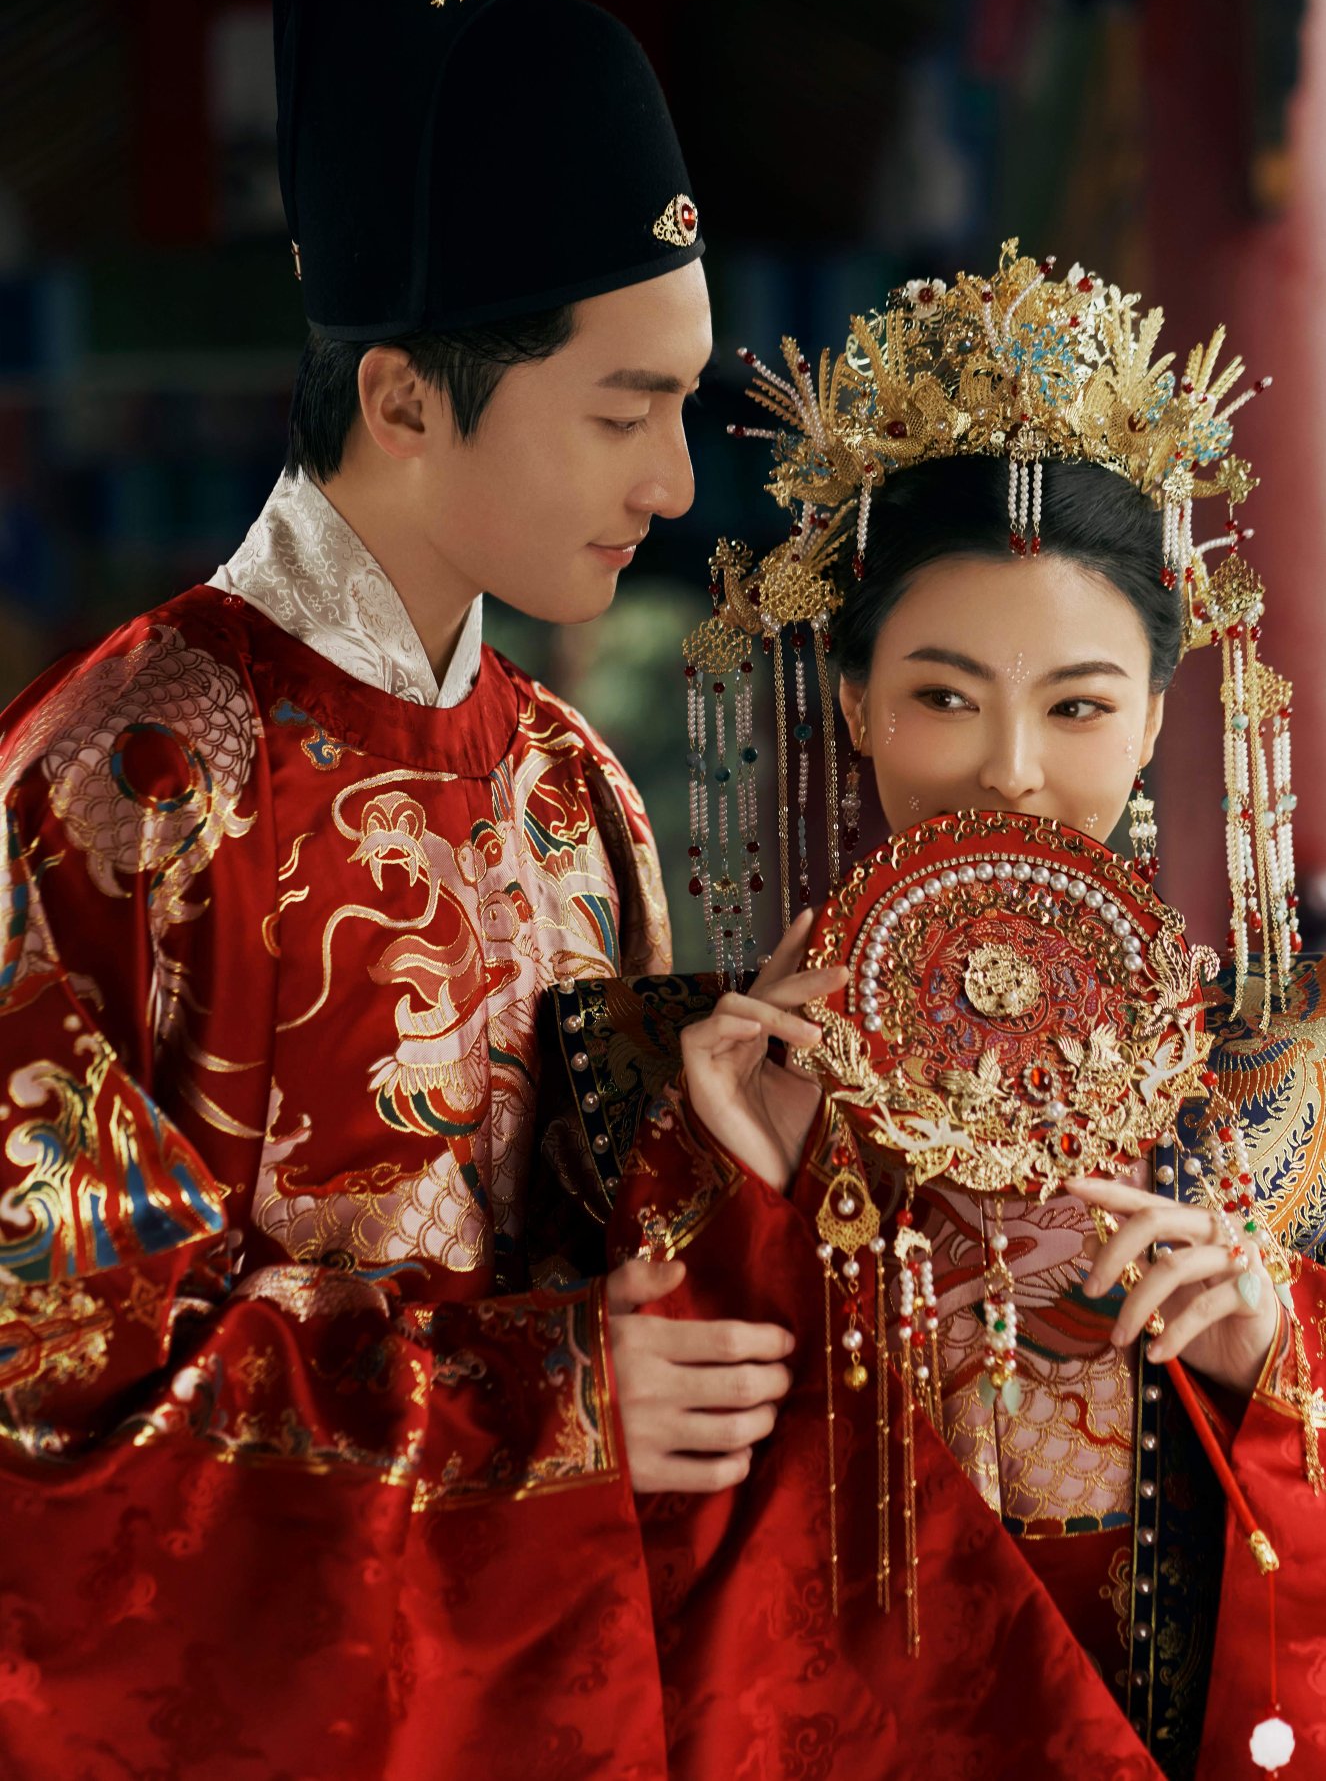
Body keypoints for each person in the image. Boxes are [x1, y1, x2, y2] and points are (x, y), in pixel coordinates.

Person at [0, 0, 801, 1778]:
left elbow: (633, 1285)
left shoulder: (577, 792)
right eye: (622, 408)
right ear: (402, 397)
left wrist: (745, 1165)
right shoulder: (116, 786)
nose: (674, 480)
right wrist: (549, 1406)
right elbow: (48, 1382)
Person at [546, 248, 1326, 1778]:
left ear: (1156, 720)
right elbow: (596, 1598)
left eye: (1078, 705)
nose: (1011, 770)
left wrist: (1278, 1361)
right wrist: (736, 1197)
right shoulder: (649, 1077)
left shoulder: (1278, 1075)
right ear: (852, 701)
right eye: (944, 696)